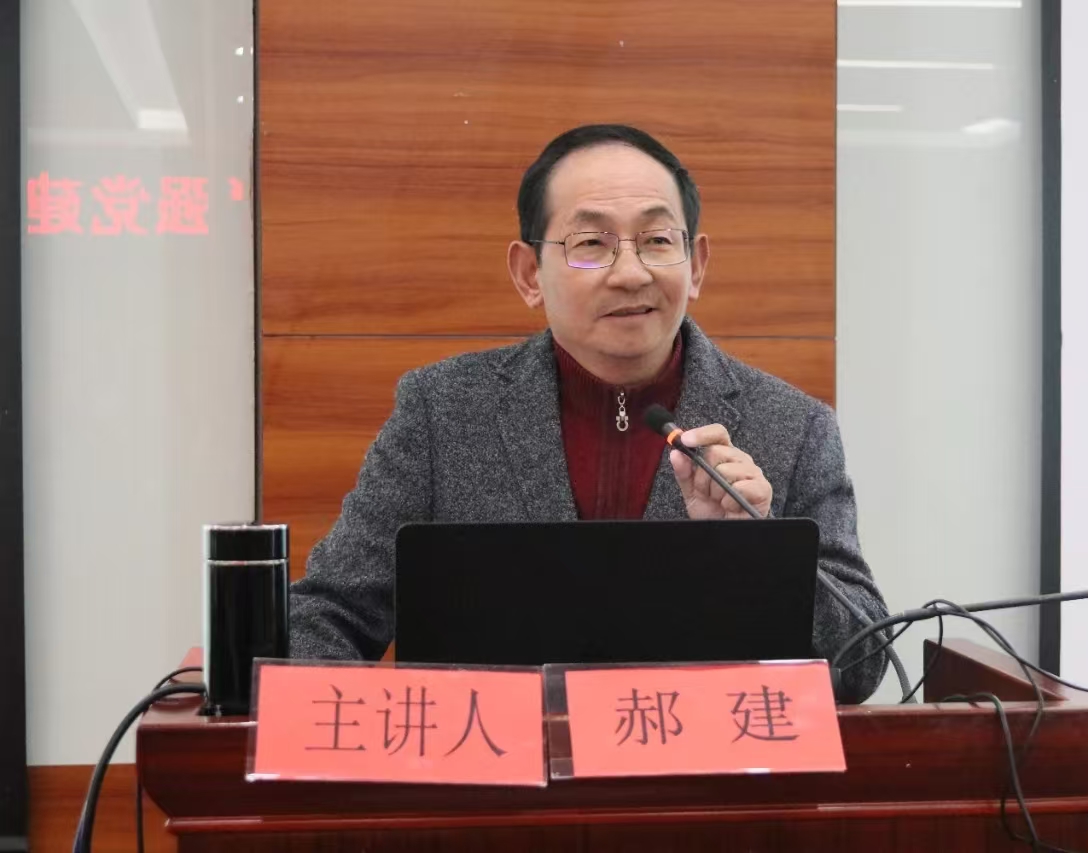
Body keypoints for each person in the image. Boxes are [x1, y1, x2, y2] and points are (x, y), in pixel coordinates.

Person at [288, 124, 889, 702]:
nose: (630, 273)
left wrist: (761, 551)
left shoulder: (793, 426)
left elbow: (861, 662)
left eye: (657, 241)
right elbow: (326, 616)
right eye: (591, 244)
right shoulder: (442, 412)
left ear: (696, 264)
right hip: (497, 767)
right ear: (529, 274)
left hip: (698, 773)